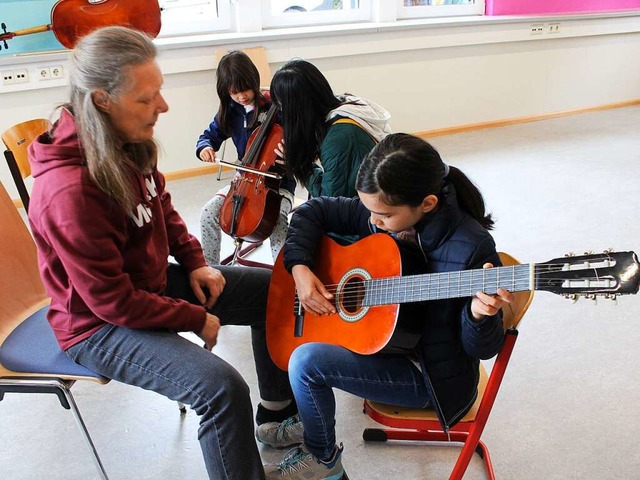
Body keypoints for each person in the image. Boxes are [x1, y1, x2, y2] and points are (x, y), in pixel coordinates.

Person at [27, 26, 295, 480]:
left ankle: (274, 416)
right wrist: (192, 317)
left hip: (143, 288)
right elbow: (111, 303)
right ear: (101, 101)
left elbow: (161, 205)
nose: (163, 107)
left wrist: (193, 262)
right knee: (221, 388)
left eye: (160, 93)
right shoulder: (68, 192)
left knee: (275, 291)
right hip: (97, 326)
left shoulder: (122, 140)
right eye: (147, 98)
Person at [261, 133, 514, 479]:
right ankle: (310, 418)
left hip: (430, 376)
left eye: (382, 216)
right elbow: (312, 211)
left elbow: (482, 349)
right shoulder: (388, 209)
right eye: (369, 211)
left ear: (426, 203)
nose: (373, 222)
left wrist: (479, 314)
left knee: (306, 363)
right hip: (389, 344)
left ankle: (323, 460)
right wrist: (301, 267)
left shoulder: (471, 247)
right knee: (300, 342)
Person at [196, 50, 296, 265]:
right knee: (208, 214)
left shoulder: (276, 108)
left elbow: (301, 145)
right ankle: (210, 268)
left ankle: (284, 276)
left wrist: (290, 154)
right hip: (243, 182)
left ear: (254, 80)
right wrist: (204, 147)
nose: (241, 97)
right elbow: (208, 136)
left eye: (245, 90)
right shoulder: (230, 111)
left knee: (277, 221)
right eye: (234, 93)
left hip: (278, 185)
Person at [270, 59, 391, 199]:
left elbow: (330, 201)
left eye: (282, 106)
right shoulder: (344, 105)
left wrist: (300, 166)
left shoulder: (339, 138)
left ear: (297, 109)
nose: (282, 113)